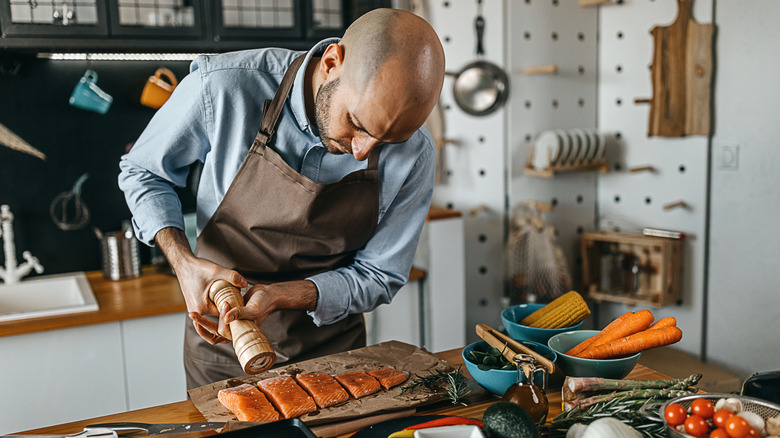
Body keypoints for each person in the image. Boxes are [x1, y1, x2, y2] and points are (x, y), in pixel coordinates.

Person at [118, 8, 446, 389]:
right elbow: (143, 171)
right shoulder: (223, 87)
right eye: (356, 123)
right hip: (224, 346)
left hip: (336, 355)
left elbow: (380, 274)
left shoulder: (417, 154)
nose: (362, 152)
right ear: (331, 63)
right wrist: (183, 263)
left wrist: (279, 296)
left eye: (390, 141)